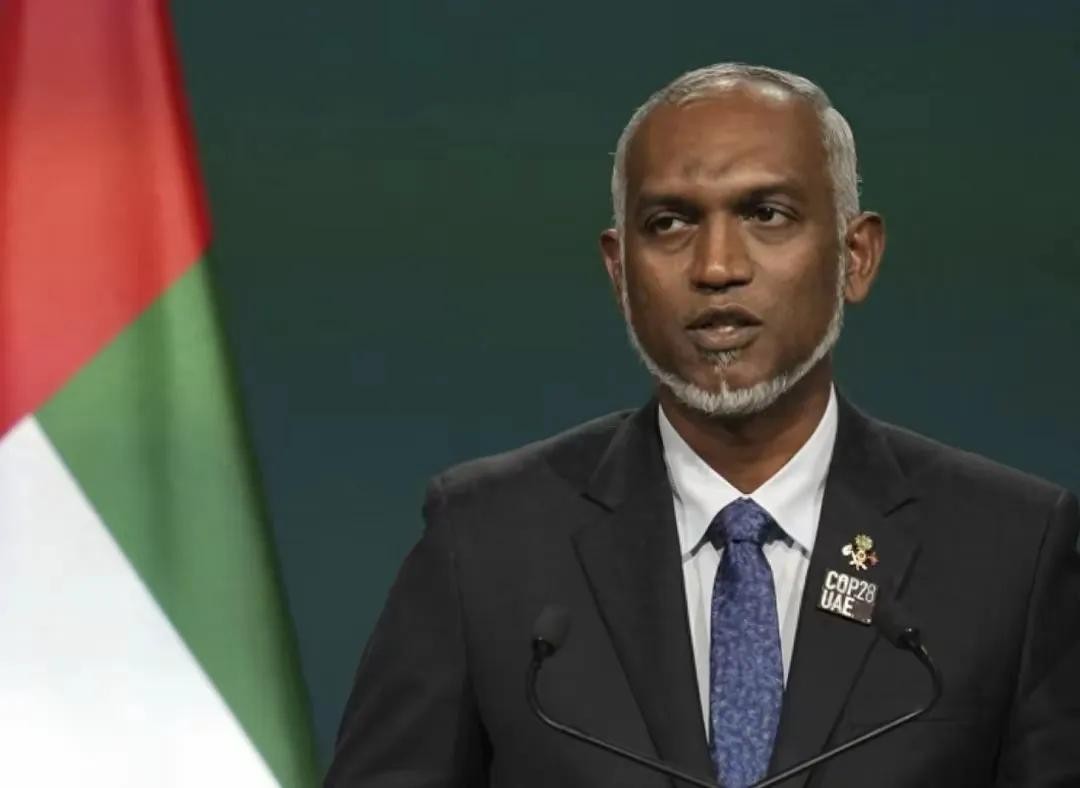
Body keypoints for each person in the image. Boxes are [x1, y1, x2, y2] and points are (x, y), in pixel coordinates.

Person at [325, 63, 1080, 787]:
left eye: (767, 214)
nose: (717, 267)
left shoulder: (1010, 550)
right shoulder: (486, 542)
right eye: (670, 223)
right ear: (619, 272)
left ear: (855, 256)